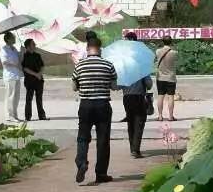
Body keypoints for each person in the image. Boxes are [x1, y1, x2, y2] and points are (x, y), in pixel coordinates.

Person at [72, 34, 117, 184]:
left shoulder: (79, 65)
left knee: (83, 137)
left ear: (87, 48)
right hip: (103, 105)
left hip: (85, 105)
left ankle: (82, 162)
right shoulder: (108, 65)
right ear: (100, 49)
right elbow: (114, 86)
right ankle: (101, 173)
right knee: (103, 140)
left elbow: (74, 87)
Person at [120, 31, 152, 159]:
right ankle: (135, 149)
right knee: (139, 122)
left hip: (126, 97)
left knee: (131, 122)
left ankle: (132, 147)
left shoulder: (122, 63)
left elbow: (118, 84)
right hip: (139, 96)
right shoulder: (141, 62)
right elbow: (149, 84)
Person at [0, 31, 22, 122]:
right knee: (10, 96)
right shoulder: (4, 49)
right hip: (9, 76)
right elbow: (4, 62)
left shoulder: (14, 49)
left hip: (16, 75)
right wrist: (14, 65)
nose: (15, 38)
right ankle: (10, 116)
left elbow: (19, 60)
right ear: (8, 39)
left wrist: (22, 52)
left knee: (16, 96)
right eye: (13, 37)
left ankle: (14, 115)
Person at [21, 38, 46, 121]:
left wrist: (40, 74)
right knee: (29, 99)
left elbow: (42, 66)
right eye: (33, 44)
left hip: (39, 80)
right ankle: (28, 116)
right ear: (28, 46)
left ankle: (41, 115)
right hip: (29, 81)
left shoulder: (37, 55)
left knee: (39, 98)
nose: (35, 45)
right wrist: (36, 74)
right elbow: (25, 68)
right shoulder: (24, 56)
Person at [155, 36, 178, 121]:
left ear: (162, 41)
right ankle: (170, 116)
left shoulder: (157, 51)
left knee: (160, 96)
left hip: (160, 77)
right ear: (171, 42)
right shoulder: (174, 53)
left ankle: (160, 116)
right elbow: (175, 61)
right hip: (171, 77)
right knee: (171, 97)